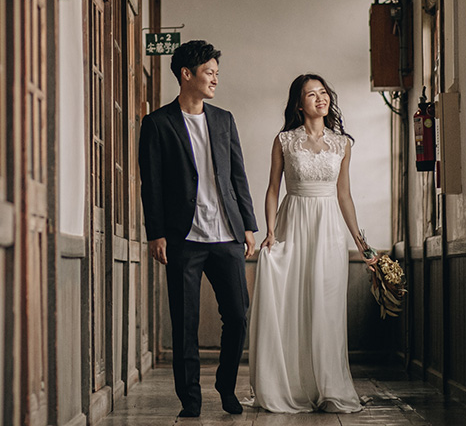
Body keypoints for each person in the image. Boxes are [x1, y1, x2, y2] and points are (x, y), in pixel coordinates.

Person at [138, 40, 258, 418]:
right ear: (186, 75)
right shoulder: (157, 123)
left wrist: (249, 226)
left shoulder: (224, 120)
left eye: (217, 74)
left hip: (226, 234)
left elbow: (238, 175)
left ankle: (225, 386)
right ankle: (190, 400)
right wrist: (155, 232)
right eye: (209, 73)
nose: (215, 80)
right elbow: (151, 183)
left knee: (238, 315)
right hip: (182, 238)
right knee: (185, 323)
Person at [248, 73, 376, 413]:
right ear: (298, 104)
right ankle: (295, 384)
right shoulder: (284, 140)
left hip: (329, 227)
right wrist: (271, 231)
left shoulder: (342, 143)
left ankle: (330, 388)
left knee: (327, 304)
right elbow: (273, 188)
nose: (320, 98)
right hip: (294, 220)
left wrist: (360, 241)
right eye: (311, 94)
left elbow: (344, 195)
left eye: (323, 93)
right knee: (295, 302)